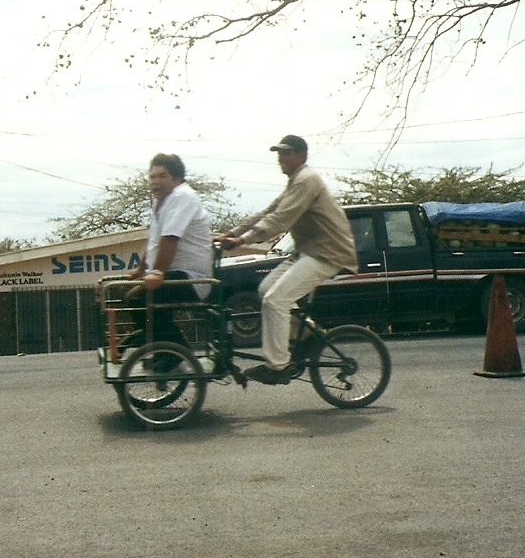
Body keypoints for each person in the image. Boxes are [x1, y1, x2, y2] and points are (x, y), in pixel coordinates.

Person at [216, 135, 358, 384]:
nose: (281, 159)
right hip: (308, 252)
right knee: (265, 290)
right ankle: (309, 337)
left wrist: (243, 240)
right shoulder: (295, 182)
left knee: (275, 301)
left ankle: (278, 366)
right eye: (279, 155)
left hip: (328, 253)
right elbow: (267, 212)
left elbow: (281, 218)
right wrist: (233, 233)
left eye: (286, 154)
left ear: (301, 155)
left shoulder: (307, 179)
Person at [125, 153, 213, 346]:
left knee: (139, 299)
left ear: (176, 178)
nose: (155, 181)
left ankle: (177, 351)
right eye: (152, 176)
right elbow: (154, 241)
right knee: (136, 299)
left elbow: (170, 238)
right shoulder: (160, 201)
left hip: (192, 278)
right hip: (176, 274)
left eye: (162, 176)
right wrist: (141, 268)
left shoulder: (183, 196)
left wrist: (157, 272)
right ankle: (164, 348)